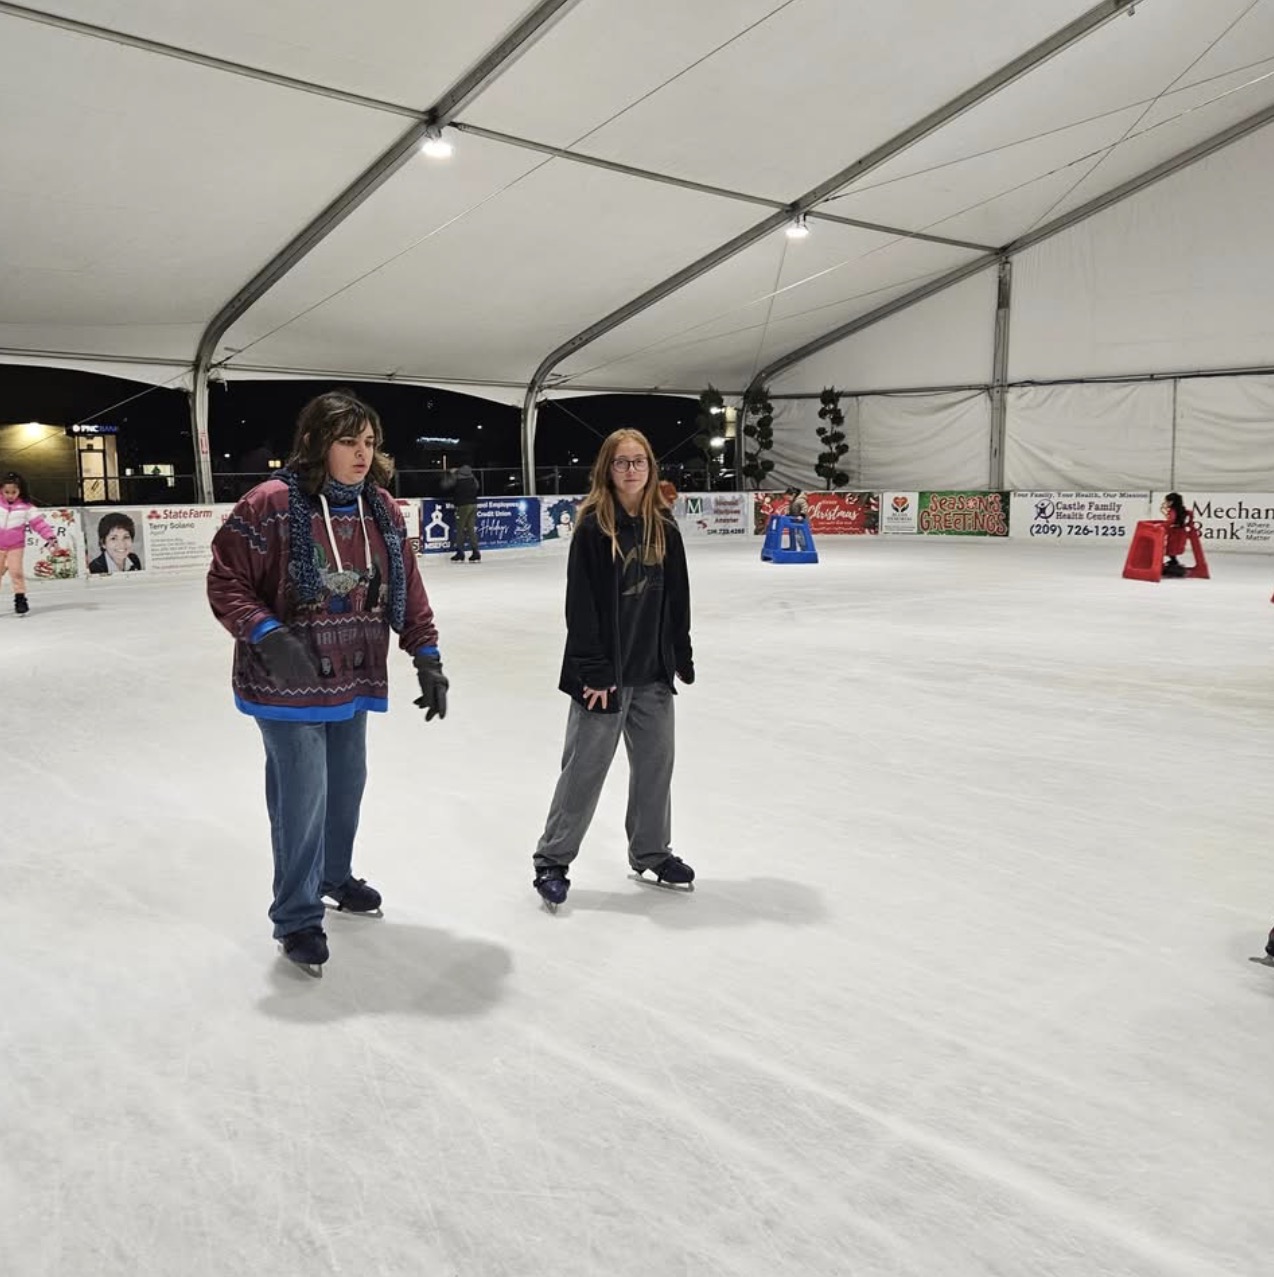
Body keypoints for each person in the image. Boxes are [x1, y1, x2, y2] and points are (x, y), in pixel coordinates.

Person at [206, 389, 449, 976]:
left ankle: (334, 876)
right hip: (284, 683)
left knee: (345, 788)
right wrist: (267, 633)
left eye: (369, 442)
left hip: (353, 674)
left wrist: (426, 653)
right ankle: (296, 916)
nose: (362, 454)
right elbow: (225, 580)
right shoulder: (269, 503)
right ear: (315, 442)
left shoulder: (381, 508)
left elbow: (408, 584)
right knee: (302, 797)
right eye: (348, 442)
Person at [531, 428, 695, 910]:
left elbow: (678, 596)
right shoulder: (593, 527)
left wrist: (680, 653)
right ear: (607, 469)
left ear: (650, 467)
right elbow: (580, 608)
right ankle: (552, 859)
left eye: (639, 461)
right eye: (622, 462)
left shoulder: (663, 526)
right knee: (584, 770)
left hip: (652, 673)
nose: (631, 470)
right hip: (603, 677)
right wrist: (594, 671)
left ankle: (651, 851)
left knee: (655, 767)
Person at [0, 471, 58, 615]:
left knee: (16, 572)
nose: (10, 495)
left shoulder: (26, 507)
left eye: (14, 492)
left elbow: (39, 524)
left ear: (20, 491)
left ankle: (20, 599)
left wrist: (50, 537)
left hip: (15, 546)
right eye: (6, 492)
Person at [450, 463, 480, 562]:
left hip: (462, 505)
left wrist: (452, 474)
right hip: (473, 504)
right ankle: (476, 552)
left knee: (460, 529)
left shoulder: (457, 478)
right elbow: (477, 487)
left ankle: (460, 552)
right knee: (471, 529)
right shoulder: (472, 478)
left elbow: (447, 486)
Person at [1160, 492, 1192, 577]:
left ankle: (1174, 565)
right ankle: (1173, 562)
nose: (1166, 503)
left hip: (1175, 533)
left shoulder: (1173, 510)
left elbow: (1171, 520)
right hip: (1181, 532)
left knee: (1171, 549)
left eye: (1167, 501)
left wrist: (1163, 525)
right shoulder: (1182, 510)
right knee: (1173, 550)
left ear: (1172, 502)